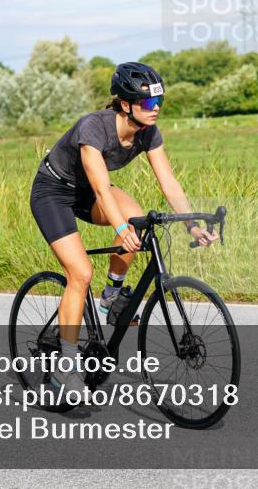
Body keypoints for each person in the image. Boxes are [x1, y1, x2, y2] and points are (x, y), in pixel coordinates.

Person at [29, 62, 219, 399]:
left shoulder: (148, 132)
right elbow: (103, 189)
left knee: (139, 223)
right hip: (54, 192)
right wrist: (119, 226)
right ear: (126, 105)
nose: (155, 108)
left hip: (87, 193)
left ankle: (110, 300)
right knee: (80, 272)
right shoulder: (94, 129)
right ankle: (65, 368)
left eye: (159, 101)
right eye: (147, 103)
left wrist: (191, 224)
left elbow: (169, 182)